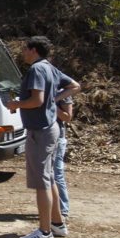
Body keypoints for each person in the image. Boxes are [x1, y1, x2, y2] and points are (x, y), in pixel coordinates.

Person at [6, 37, 81, 238]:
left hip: (40, 131)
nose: (22, 52)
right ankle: (57, 224)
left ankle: (45, 232)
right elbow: (75, 86)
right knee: (49, 178)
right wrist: (53, 101)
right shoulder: (50, 68)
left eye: (25, 49)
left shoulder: (37, 70)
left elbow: (36, 100)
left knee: (42, 182)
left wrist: (16, 103)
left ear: (33, 50)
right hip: (49, 128)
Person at [53, 91, 74, 220]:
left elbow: (67, 117)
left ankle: (63, 210)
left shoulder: (63, 92)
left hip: (57, 138)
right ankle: (53, 207)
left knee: (57, 173)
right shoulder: (40, 89)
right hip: (42, 137)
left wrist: (52, 106)